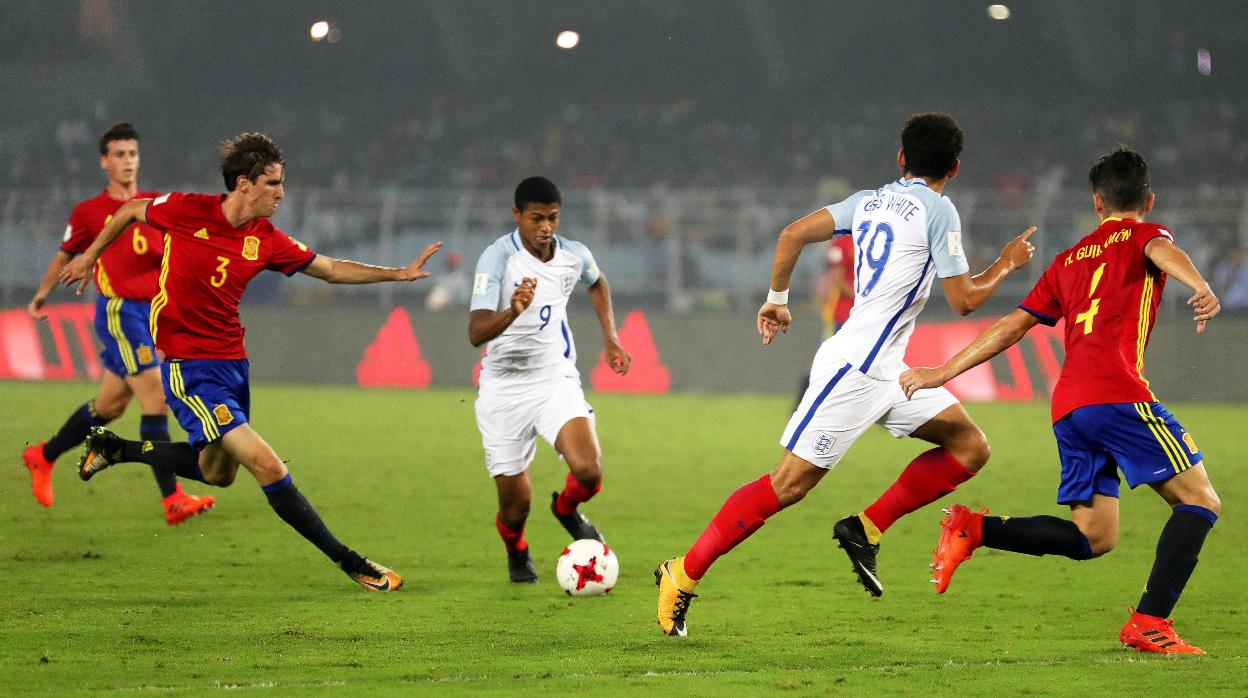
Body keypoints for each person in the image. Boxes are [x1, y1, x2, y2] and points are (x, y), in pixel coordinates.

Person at [655, 113, 1037, 636]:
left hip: (886, 368)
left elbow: (792, 234)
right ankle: (682, 573)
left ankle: (866, 527)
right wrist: (1007, 264)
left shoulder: (868, 201)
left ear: (901, 158)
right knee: (787, 485)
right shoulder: (940, 209)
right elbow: (965, 299)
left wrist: (777, 301)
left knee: (969, 446)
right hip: (858, 368)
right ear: (954, 167)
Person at [59, 132, 442, 591]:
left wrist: (397, 274)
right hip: (189, 369)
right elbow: (128, 210)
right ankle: (352, 562)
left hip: (233, 367)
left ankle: (117, 449)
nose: (282, 192)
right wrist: (90, 256)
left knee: (216, 473)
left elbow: (329, 269)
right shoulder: (186, 209)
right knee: (269, 466)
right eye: (273, 183)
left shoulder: (267, 239)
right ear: (244, 183)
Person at [901, 147, 1222, 655]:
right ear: (1150, 200)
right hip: (1118, 396)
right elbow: (1161, 250)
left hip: (1069, 406)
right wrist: (1200, 284)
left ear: (1097, 203)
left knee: (1094, 537)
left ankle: (975, 528)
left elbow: (1012, 326)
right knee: (1200, 501)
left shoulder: (1069, 260)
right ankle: (1149, 621)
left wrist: (942, 371)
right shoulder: (1148, 236)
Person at [21, 122, 215, 524]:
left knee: (109, 406)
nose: (128, 162)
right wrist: (42, 293)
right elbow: (65, 256)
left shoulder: (154, 205)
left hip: (152, 314)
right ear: (104, 161)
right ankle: (172, 499)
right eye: (120, 155)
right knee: (156, 399)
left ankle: (43, 455)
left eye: (133, 154)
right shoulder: (90, 213)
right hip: (120, 312)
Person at [468, 176, 631, 583]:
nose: (545, 228)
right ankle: (517, 549)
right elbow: (476, 332)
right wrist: (512, 311)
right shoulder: (496, 259)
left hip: (553, 379)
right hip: (503, 391)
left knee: (589, 470)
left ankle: (566, 509)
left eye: (553, 219)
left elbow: (597, 282)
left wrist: (611, 339)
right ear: (518, 215)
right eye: (536, 218)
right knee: (514, 508)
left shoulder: (573, 255)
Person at [794, 235, 855, 408]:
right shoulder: (843, 243)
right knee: (823, 359)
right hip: (840, 314)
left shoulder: (873, 239)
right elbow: (837, 279)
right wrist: (863, 299)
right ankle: (800, 405)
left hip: (864, 315)